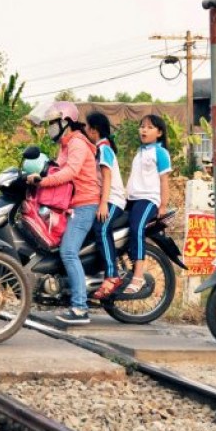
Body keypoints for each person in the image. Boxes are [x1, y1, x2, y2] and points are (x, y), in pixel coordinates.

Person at [26, 101, 99, 324]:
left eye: (52, 123)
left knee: (68, 252)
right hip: (71, 205)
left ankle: (80, 308)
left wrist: (44, 181)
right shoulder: (65, 144)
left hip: (84, 204)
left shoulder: (77, 143)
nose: (49, 128)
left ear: (65, 122)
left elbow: (69, 172)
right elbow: (55, 166)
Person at [124, 114, 171, 294]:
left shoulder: (160, 152)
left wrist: (163, 206)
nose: (144, 130)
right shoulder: (140, 151)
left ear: (159, 133)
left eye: (150, 127)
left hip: (148, 199)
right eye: (142, 126)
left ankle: (138, 275)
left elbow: (164, 181)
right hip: (132, 200)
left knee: (137, 229)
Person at [83, 112, 127, 299]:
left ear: (94, 130)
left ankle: (112, 274)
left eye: (87, 127)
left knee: (102, 229)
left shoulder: (104, 149)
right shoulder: (98, 149)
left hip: (114, 199)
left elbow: (107, 177)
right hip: (106, 198)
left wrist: (103, 205)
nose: (85, 130)